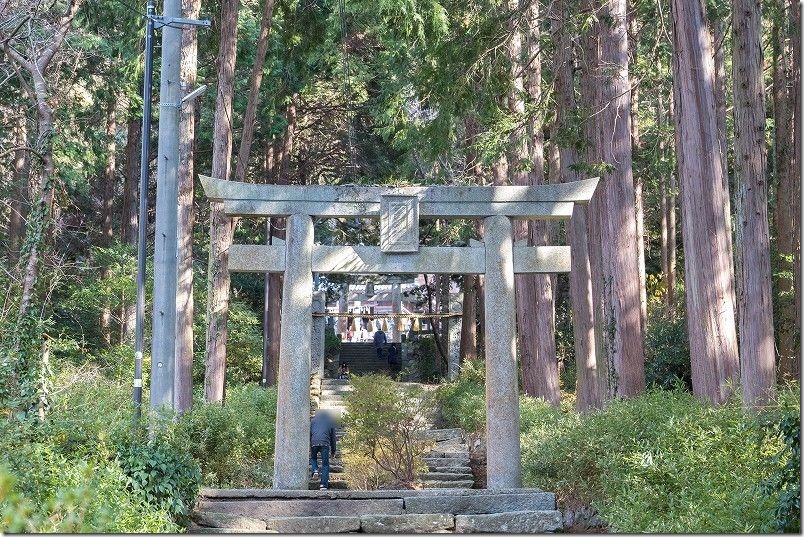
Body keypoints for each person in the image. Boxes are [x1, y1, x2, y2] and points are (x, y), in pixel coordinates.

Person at [310, 409, 337, 490]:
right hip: (325, 443)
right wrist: (333, 451)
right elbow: (333, 438)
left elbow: (310, 433)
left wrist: (310, 444)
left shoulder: (313, 421)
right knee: (325, 464)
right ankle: (323, 485)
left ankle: (315, 470)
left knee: (313, 458)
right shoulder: (330, 422)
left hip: (314, 442)